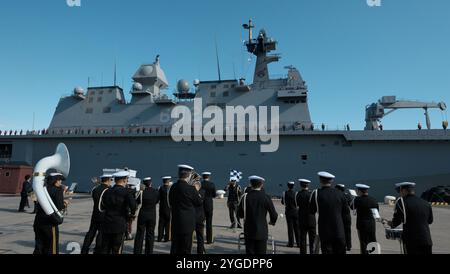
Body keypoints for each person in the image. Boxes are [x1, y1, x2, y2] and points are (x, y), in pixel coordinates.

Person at [309, 172, 351, 254]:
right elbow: (346, 216)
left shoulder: (316, 193)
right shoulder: (341, 194)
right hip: (339, 230)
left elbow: (311, 211)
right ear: (331, 181)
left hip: (325, 231)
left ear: (320, 180)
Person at [386, 182, 433, 254]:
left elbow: (396, 221)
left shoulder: (401, 202)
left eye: (400, 191)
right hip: (426, 240)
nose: (400, 193)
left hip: (411, 241)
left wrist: (391, 223)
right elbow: (430, 221)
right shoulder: (425, 202)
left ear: (404, 190)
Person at [238, 176, 278, 254]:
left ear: (250, 184)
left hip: (249, 231)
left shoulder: (245, 197)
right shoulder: (266, 197)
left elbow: (240, 214)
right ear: (261, 185)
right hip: (262, 231)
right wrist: (272, 222)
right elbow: (274, 214)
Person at [100, 171, 137, 254]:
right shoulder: (126, 192)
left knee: (105, 248)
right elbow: (133, 205)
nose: (127, 181)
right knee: (116, 249)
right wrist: (132, 214)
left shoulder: (107, 191)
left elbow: (102, 206)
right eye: (127, 179)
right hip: (119, 223)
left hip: (107, 223)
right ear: (124, 180)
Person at [169, 165, 203, 254]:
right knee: (186, 249)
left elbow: (170, 202)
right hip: (187, 224)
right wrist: (196, 190)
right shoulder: (191, 189)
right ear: (188, 175)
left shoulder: (173, 187)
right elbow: (199, 202)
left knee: (175, 247)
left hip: (176, 222)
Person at [33, 173, 67, 254]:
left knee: (39, 246)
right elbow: (60, 206)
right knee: (52, 247)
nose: (60, 182)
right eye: (59, 180)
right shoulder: (58, 190)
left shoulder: (42, 189)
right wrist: (65, 204)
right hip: (50, 222)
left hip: (38, 221)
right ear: (55, 181)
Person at [81, 174, 113, 254]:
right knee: (101, 235)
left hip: (95, 214)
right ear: (108, 180)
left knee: (90, 233)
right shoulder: (108, 190)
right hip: (103, 215)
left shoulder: (95, 189)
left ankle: (84, 250)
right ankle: (97, 250)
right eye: (111, 180)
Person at [134, 177, 160, 254]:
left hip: (143, 214)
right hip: (152, 215)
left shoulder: (141, 192)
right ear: (151, 183)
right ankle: (149, 251)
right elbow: (157, 201)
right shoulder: (156, 192)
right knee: (150, 234)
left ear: (144, 184)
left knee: (140, 234)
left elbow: (137, 201)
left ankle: (137, 251)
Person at [351, 184, 378, 254]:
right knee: (373, 241)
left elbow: (351, 207)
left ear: (359, 191)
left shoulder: (357, 199)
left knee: (363, 243)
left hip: (362, 225)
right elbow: (376, 211)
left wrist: (354, 198)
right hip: (372, 224)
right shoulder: (373, 199)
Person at [296, 179, 316, 254]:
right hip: (311, 219)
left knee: (302, 239)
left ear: (301, 185)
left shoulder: (298, 194)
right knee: (312, 239)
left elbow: (297, 204)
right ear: (308, 185)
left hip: (302, 219)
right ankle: (312, 252)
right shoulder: (312, 194)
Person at [281, 181, 300, 248]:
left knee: (290, 228)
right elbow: (298, 203)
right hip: (295, 212)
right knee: (297, 228)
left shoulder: (284, 193)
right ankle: (298, 243)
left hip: (288, 212)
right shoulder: (296, 193)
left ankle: (291, 243)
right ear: (293, 186)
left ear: (288, 186)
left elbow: (283, 202)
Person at [335, 184, 352, 251]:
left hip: (339, 216)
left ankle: (342, 245)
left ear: (338, 189)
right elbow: (351, 205)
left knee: (340, 232)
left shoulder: (337, 195)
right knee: (348, 231)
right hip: (347, 216)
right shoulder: (347, 195)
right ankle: (349, 246)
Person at [201, 172, 216, 244]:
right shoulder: (212, 184)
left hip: (201, 205)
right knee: (209, 223)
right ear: (209, 177)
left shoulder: (200, 184)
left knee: (200, 223)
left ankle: (200, 238)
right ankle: (209, 240)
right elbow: (214, 195)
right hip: (209, 205)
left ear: (202, 177)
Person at [158, 176, 172, 242]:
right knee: (167, 224)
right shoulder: (170, 189)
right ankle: (166, 238)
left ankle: (160, 237)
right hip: (168, 208)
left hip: (161, 208)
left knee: (161, 224)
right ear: (168, 181)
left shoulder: (160, 188)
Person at [194, 181, 206, 254]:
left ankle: (200, 251)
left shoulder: (202, 192)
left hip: (198, 217)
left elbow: (200, 201)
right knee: (199, 236)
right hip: (195, 217)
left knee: (200, 236)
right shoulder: (192, 192)